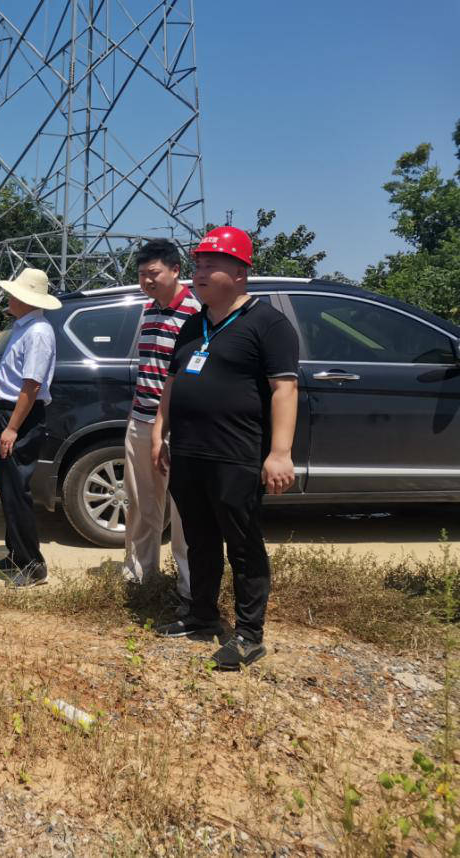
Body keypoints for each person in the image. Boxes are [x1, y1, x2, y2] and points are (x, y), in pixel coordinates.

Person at [151, 226, 299, 670]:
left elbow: (284, 390)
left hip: (235, 455)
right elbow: (173, 383)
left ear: (240, 272)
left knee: (242, 544)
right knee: (198, 539)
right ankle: (201, 615)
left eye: (211, 264)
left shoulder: (268, 324)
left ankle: (250, 634)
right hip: (190, 453)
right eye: (198, 264)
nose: (199, 272)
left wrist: (280, 452)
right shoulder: (194, 325)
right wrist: (161, 432)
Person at [122, 242, 198, 611]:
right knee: (140, 503)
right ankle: (140, 576)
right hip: (141, 419)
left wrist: (167, 428)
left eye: (153, 274)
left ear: (175, 270)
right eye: (141, 275)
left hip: (179, 425)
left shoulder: (197, 314)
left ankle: (189, 590)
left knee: (184, 510)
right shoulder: (148, 311)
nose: (146, 281)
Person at [0, 268, 60, 587]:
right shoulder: (23, 327)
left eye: (13, 294)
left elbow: (31, 385)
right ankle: (15, 555)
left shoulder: (39, 332)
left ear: (27, 299)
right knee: (9, 490)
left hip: (19, 417)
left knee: (18, 490)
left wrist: (13, 428)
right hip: (6, 413)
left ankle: (33, 565)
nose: (8, 298)